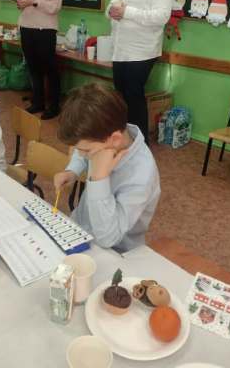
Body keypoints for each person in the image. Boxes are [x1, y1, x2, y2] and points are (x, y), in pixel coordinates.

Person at [54, 83, 160, 251]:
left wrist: (99, 178)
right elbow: (82, 151)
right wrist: (72, 170)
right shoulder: (105, 139)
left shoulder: (141, 175)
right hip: (81, 229)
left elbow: (108, 238)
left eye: (86, 151)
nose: (81, 154)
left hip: (116, 252)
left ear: (115, 139)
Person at [105, 0, 174, 140]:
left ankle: (140, 144)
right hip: (121, 47)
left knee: (134, 96)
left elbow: (162, 16)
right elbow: (112, 5)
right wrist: (111, 12)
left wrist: (127, 12)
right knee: (121, 95)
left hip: (142, 50)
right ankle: (125, 140)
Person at [17, 0, 63, 119]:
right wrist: (21, 3)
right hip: (26, 26)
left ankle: (54, 106)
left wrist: (34, 2)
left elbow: (55, 6)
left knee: (50, 69)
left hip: (45, 29)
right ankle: (38, 102)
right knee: (33, 68)